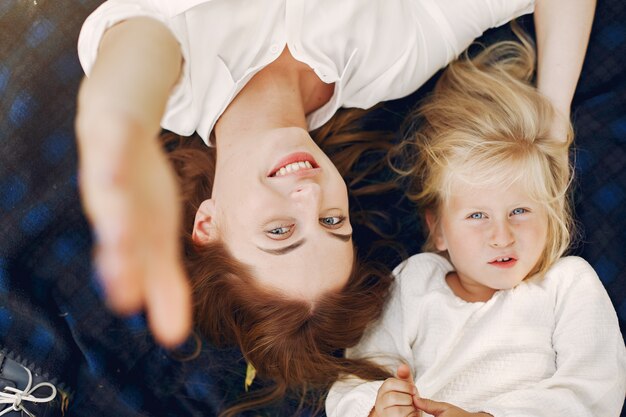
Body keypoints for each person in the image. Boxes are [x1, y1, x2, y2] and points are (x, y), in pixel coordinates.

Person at [71, 0, 596, 415]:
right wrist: (551, 130)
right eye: (331, 222)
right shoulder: (390, 62)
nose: (309, 196)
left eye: (279, 231)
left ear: (207, 223)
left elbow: (137, 45)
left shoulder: (175, 88)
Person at [326, 33, 626, 417]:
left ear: (551, 216)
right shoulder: (415, 282)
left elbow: (596, 391)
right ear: (438, 231)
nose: (501, 236)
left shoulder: (566, 284)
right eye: (477, 216)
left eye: (519, 211)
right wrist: (374, 407)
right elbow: (355, 378)